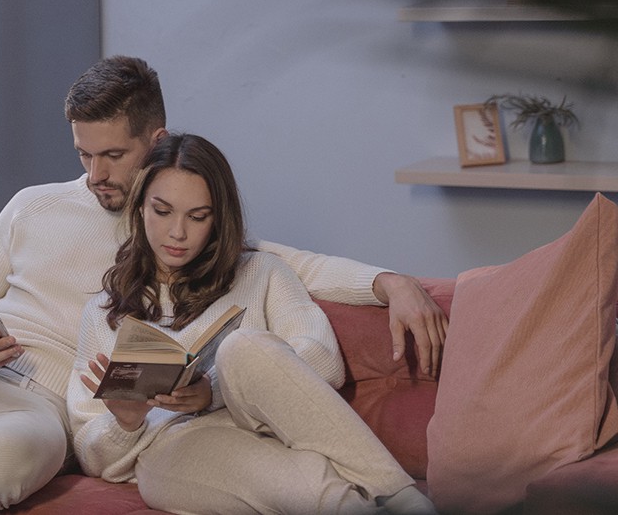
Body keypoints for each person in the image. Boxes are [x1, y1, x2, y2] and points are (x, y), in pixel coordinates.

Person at [0, 55, 444, 515]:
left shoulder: (174, 223)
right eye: (84, 154)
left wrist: (390, 282)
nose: (95, 175)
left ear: (156, 139)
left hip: (47, 406)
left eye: (112, 156)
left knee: (7, 461)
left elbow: (283, 266)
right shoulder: (33, 207)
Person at [69, 132, 437, 514]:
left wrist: (214, 391)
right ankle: (401, 501)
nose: (178, 233)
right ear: (140, 208)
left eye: (198, 217)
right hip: (171, 448)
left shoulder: (262, 271)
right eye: (162, 212)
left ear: (218, 218)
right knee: (326, 495)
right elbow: (92, 455)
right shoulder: (102, 313)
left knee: (242, 346)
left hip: (258, 423)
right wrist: (126, 422)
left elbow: (325, 361)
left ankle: (403, 497)